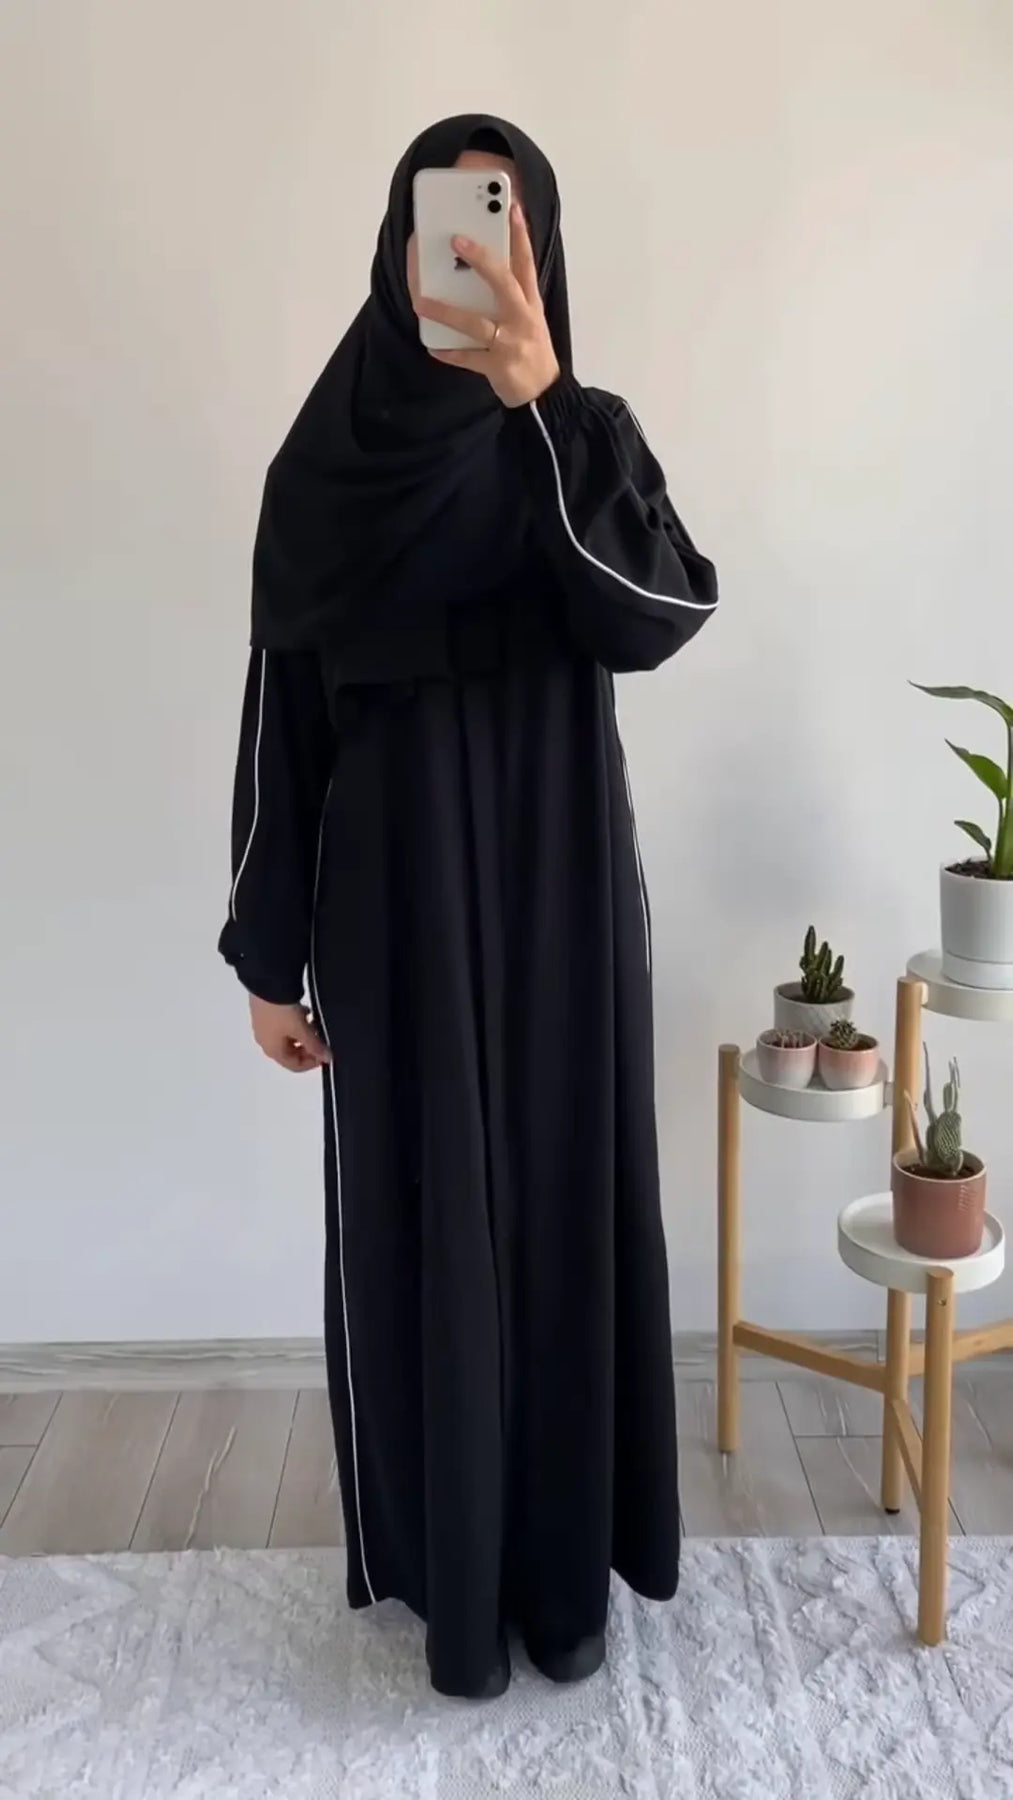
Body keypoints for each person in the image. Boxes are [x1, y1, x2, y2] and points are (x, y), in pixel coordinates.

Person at [219, 113, 717, 1701]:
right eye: (444, 227)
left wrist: (541, 401)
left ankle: (564, 1580)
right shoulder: (323, 468)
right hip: (389, 902)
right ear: (398, 246)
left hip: (562, 882)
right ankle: (447, 1578)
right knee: (421, 1215)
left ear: (539, 254)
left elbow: (656, 611)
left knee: (563, 1205)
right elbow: (282, 721)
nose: (470, 261)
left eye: (502, 231)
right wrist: (266, 954)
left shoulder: (583, 437)